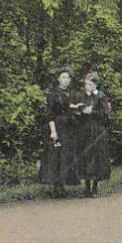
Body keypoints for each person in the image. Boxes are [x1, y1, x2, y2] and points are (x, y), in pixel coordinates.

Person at [39, 67, 81, 198]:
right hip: (58, 126)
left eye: (68, 78)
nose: (66, 80)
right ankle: (56, 187)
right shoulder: (54, 94)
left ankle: (63, 185)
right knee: (56, 157)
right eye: (63, 78)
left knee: (66, 156)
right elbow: (50, 114)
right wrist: (53, 131)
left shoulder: (72, 93)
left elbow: (71, 108)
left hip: (69, 128)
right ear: (58, 79)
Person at [78, 71, 111, 196]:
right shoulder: (85, 96)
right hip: (85, 130)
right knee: (86, 157)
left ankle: (95, 188)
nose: (88, 87)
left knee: (96, 157)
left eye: (90, 85)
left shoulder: (101, 96)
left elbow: (105, 115)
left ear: (95, 85)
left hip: (97, 130)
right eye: (86, 85)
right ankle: (86, 188)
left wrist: (91, 112)